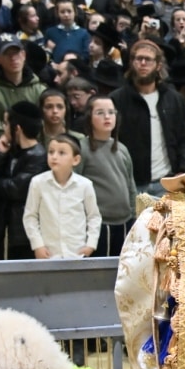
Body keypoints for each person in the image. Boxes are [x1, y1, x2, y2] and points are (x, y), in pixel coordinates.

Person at [109, 39, 185, 193]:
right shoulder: (117, 99)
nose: (143, 63)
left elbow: (183, 138)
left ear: (158, 65)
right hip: (132, 183)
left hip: (168, 180)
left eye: (148, 59)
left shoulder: (173, 99)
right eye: (138, 59)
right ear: (132, 62)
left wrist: (183, 170)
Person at [0, 100, 48, 259]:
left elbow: (14, 189)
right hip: (7, 228)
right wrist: (0, 154)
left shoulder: (39, 157)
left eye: (6, 123)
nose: (4, 128)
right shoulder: (11, 152)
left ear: (17, 128)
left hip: (23, 234)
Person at [23, 133, 100, 258]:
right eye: (51, 152)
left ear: (75, 160)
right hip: (49, 254)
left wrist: (91, 244)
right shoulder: (38, 183)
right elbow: (30, 216)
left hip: (77, 253)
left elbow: (94, 217)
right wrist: (37, 245)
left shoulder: (85, 185)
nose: (54, 157)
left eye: (61, 153)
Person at [77, 96, 136, 256]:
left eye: (111, 112)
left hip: (124, 222)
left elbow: (130, 186)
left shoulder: (122, 149)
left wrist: (133, 215)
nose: (107, 117)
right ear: (89, 117)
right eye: (100, 113)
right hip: (98, 225)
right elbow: (75, 187)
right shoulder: (82, 149)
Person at [0, 33, 47, 140]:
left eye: (16, 52)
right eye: (6, 53)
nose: (13, 58)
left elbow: (49, 126)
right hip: (2, 148)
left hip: (38, 148)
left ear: (23, 55)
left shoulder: (40, 90)